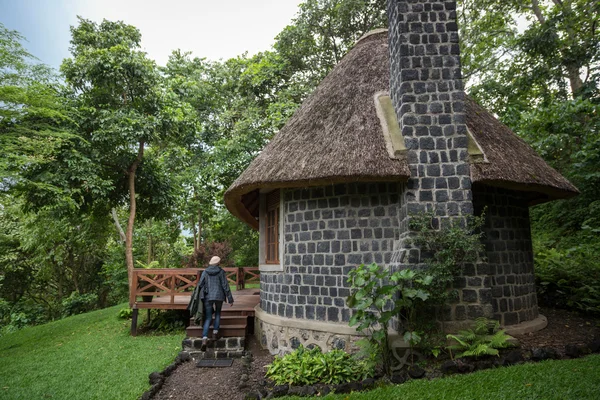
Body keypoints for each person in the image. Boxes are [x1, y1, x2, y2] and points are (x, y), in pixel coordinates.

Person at [198, 256, 234, 350]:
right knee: (218, 313)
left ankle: (204, 339)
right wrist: (230, 299)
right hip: (219, 296)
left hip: (208, 296)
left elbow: (200, 284)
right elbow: (225, 285)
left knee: (208, 317)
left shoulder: (205, 272)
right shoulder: (221, 272)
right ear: (218, 263)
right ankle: (215, 333)